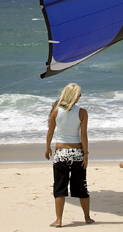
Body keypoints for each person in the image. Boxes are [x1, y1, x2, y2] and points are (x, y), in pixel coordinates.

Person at [45, 83, 93, 227]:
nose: (79, 97)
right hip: (77, 153)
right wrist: (85, 154)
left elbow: (50, 132)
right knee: (81, 187)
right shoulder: (82, 112)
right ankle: (87, 217)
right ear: (75, 97)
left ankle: (59, 220)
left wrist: (47, 148)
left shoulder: (55, 111)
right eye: (79, 95)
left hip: (60, 154)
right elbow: (83, 135)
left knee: (59, 188)